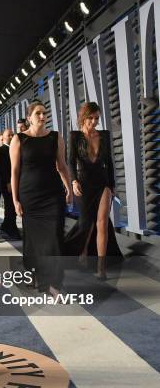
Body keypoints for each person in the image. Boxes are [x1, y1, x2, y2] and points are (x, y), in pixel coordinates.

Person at [10, 101, 71, 296]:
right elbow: (14, 171)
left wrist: (68, 188)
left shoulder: (55, 137)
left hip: (53, 194)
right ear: (29, 118)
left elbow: (61, 165)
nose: (42, 117)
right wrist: (15, 200)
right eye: (38, 113)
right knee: (33, 240)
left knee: (54, 237)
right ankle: (34, 273)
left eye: (44, 113)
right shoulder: (19, 139)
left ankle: (54, 283)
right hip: (29, 196)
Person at [64, 102, 121, 279]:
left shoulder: (103, 135)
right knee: (86, 222)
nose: (95, 122)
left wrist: (112, 186)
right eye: (91, 118)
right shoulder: (75, 136)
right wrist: (73, 181)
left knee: (102, 223)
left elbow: (109, 163)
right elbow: (70, 161)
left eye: (97, 118)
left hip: (102, 184)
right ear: (84, 117)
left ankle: (101, 268)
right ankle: (83, 252)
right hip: (83, 184)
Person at [0, 128, 20, 239]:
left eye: (12, 135)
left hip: (15, 182)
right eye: (9, 135)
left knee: (11, 205)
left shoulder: (16, 149)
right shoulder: (0, 151)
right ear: (3, 137)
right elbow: (2, 169)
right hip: (7, 183)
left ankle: (6, 224)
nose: (11, 136)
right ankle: (11, 228)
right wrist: (8, 182)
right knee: (10, 205)